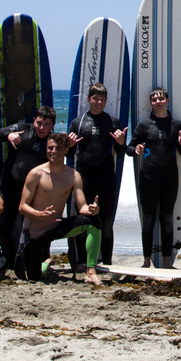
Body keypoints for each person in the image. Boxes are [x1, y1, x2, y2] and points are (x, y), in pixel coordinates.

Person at [16, 133, 102, 284]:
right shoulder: (36, 173)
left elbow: (82, 207)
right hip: (34, 234)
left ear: (66, 149)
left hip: (56, 226)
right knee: (33, 277)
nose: (54, 151)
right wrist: (39, 214)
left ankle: (90, 271)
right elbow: (22, 207)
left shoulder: (73, 175)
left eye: (58, 148)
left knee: (93, 221)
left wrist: (92, 209)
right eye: (50, 148)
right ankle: (46, 263)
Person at [66, 83, 127, 268]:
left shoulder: (112, 121)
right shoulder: (78, 122)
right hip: (84, 178)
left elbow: (121, 151)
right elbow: (69, 156)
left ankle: (107, 262)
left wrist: (122, 142)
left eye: (102, 99)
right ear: (88, 99)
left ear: (106, 101)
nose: (98, 102)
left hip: (107, 178)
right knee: (83, 219)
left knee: (106, 221)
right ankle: (82, 262)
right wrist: (68, 145)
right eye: (95, 98)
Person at [126, 88, 181, 268]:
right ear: (151, 103)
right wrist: (135, 150)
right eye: (154, 99)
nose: (158, 101)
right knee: (148, 218)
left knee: (167, 218)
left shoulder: (177, 125)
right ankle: (146, 261)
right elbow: (130, 148)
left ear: (167, 100)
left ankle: (167, 262)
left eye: (161, 98)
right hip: (148, 177)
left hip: (169, 177)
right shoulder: (144, 125)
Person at [0, 105, 55, 272]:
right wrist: (8, 134)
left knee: (24, 229)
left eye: (46, 124)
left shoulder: (53, 142)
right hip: (9, 186)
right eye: (39, 123)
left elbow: (65, 156)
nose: (42, 127)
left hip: (32, 193)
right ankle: (9, 263)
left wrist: (70, 146)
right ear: (34, 121)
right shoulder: (22, 129)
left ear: (52, 125)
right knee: (2, 225)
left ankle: (38, 259)